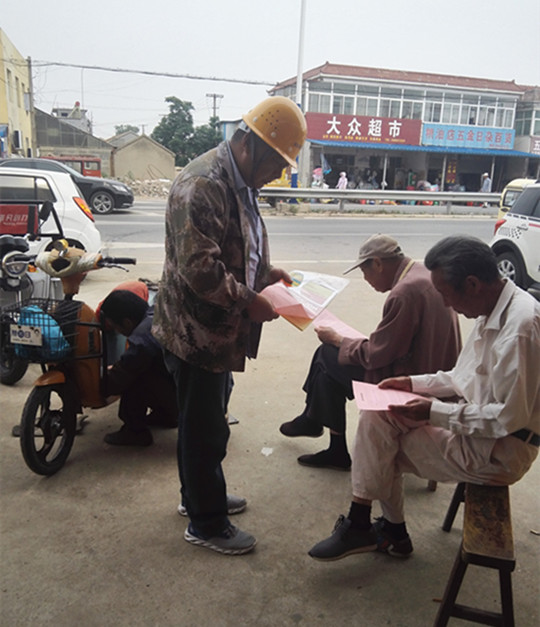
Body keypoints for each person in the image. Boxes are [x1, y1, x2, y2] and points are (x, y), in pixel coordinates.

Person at [308, 235, 539, 561]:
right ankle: (378, 529)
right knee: (378, 416)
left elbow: (506, 419)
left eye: (446, 294)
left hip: (498, 452)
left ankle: (379, 528)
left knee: (381, 445)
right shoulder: (495, 307)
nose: (446, 304)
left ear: (472, 285)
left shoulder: (519, 329)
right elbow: (459, 377)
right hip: (479, 430)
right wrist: (412, 384)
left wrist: (433, 412)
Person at [152, 96, 307, 556]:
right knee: (204, 430)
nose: (277, 174)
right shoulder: (203, 184)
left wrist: (265, 274)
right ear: (249, 144)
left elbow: (239, 241)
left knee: (206, 420)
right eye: (275, 162)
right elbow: (201, 270)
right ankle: (206, 523)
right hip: (196, 333)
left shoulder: (239, 179)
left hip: (218, 333)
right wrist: (249, 301)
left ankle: (197, 498)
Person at [280, 234, 462, 470]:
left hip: (413, 378)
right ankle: (320, 430)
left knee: (326, 354)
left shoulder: (404, 292)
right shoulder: (421, 273)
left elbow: (376, 355)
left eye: (365, 272)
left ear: (378, 263)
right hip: (432, 367)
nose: (366, 279)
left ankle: (315, 423)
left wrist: (339, 340)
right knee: (327, 368)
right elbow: (391, 343)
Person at [100, 289, 178, 447]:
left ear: (127, 322)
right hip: (203, 398)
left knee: (135, 376)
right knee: (149, 368)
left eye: (115, 327)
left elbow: (119, 378)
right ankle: (166, 416)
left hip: (187, 403)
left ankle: (135, 432)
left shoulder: (143, 338)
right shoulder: (158, 312)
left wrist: (95, 384)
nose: (117, 332)